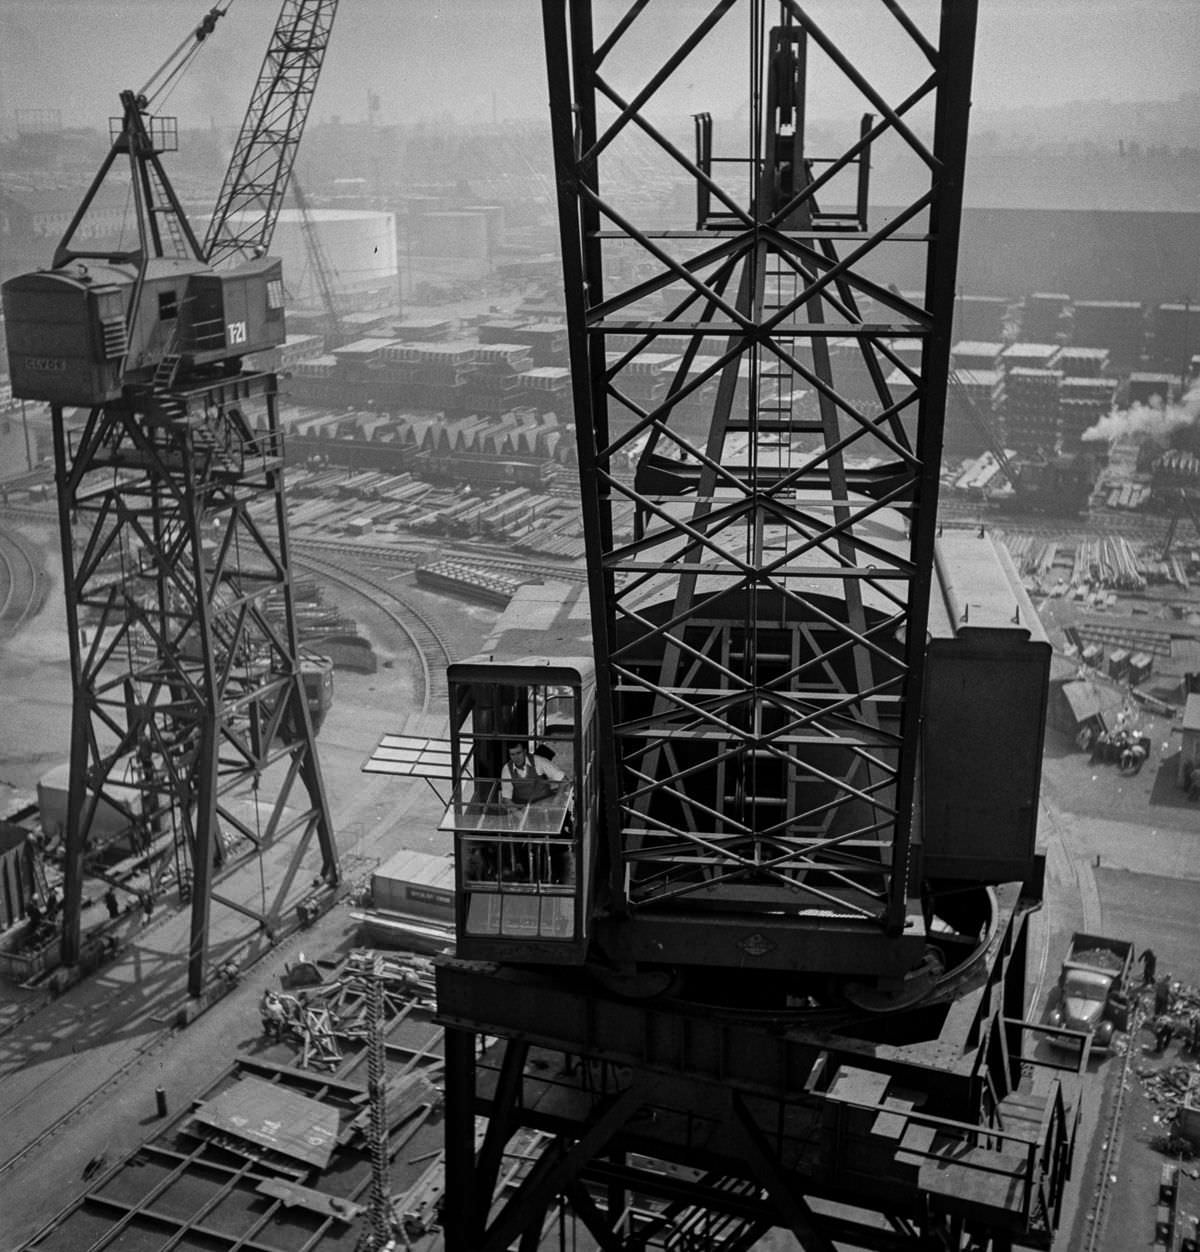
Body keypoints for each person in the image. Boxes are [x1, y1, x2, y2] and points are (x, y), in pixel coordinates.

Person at [499, 742, 565, 808]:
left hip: (543, 808)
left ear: (525, 752)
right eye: (512, 754)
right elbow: (507, 799)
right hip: (522, 810)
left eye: (518, 753)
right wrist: (519, 814)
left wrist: (555, 802)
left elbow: (564, 780)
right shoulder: (507, 769)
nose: (516, 758)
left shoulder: (538, 761)